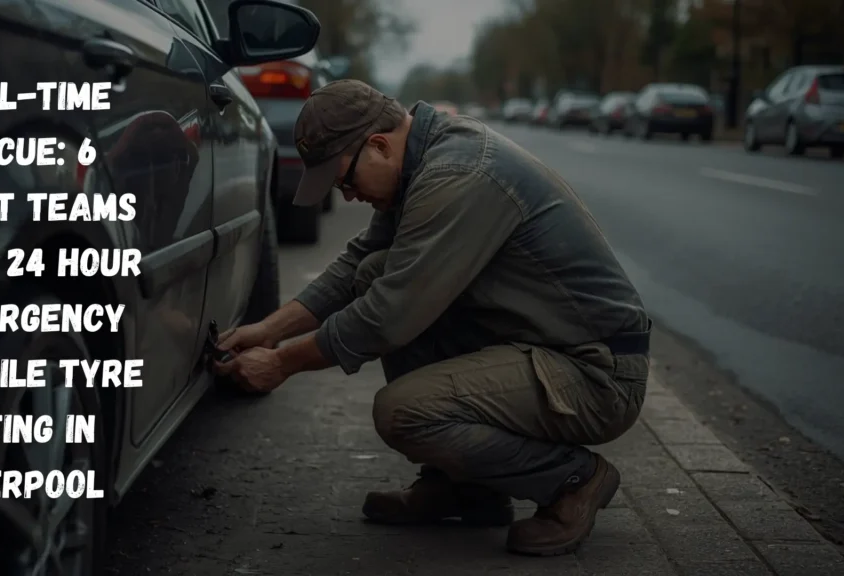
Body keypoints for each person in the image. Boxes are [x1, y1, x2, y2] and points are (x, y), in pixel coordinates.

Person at [212, 79, 652, 556]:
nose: (348, 196)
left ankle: (573, 481)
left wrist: (281, 364)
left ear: (377, 145)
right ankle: (466, 489)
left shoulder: (458, 175)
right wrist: (267, 330)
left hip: (595, 374)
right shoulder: (421, 158)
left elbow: (387, 316)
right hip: (541, 346)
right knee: (375, 269)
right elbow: (359, 261)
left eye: (345, 181)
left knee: (403, 413)